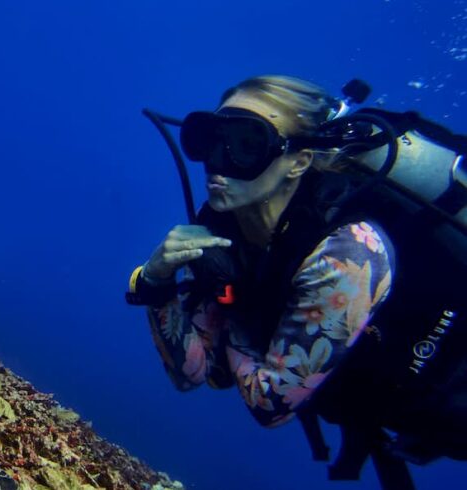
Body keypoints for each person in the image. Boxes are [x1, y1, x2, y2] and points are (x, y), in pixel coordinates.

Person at [127, 75, 466, 490]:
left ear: (299, 162)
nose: (218, 163)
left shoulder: (348, 252)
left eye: (247, 145)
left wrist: (234, 312)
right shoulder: (223, 230)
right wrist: (155, 281)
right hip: (391, 403)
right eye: (209, 141)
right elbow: (191, 374)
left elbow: (269, 403)